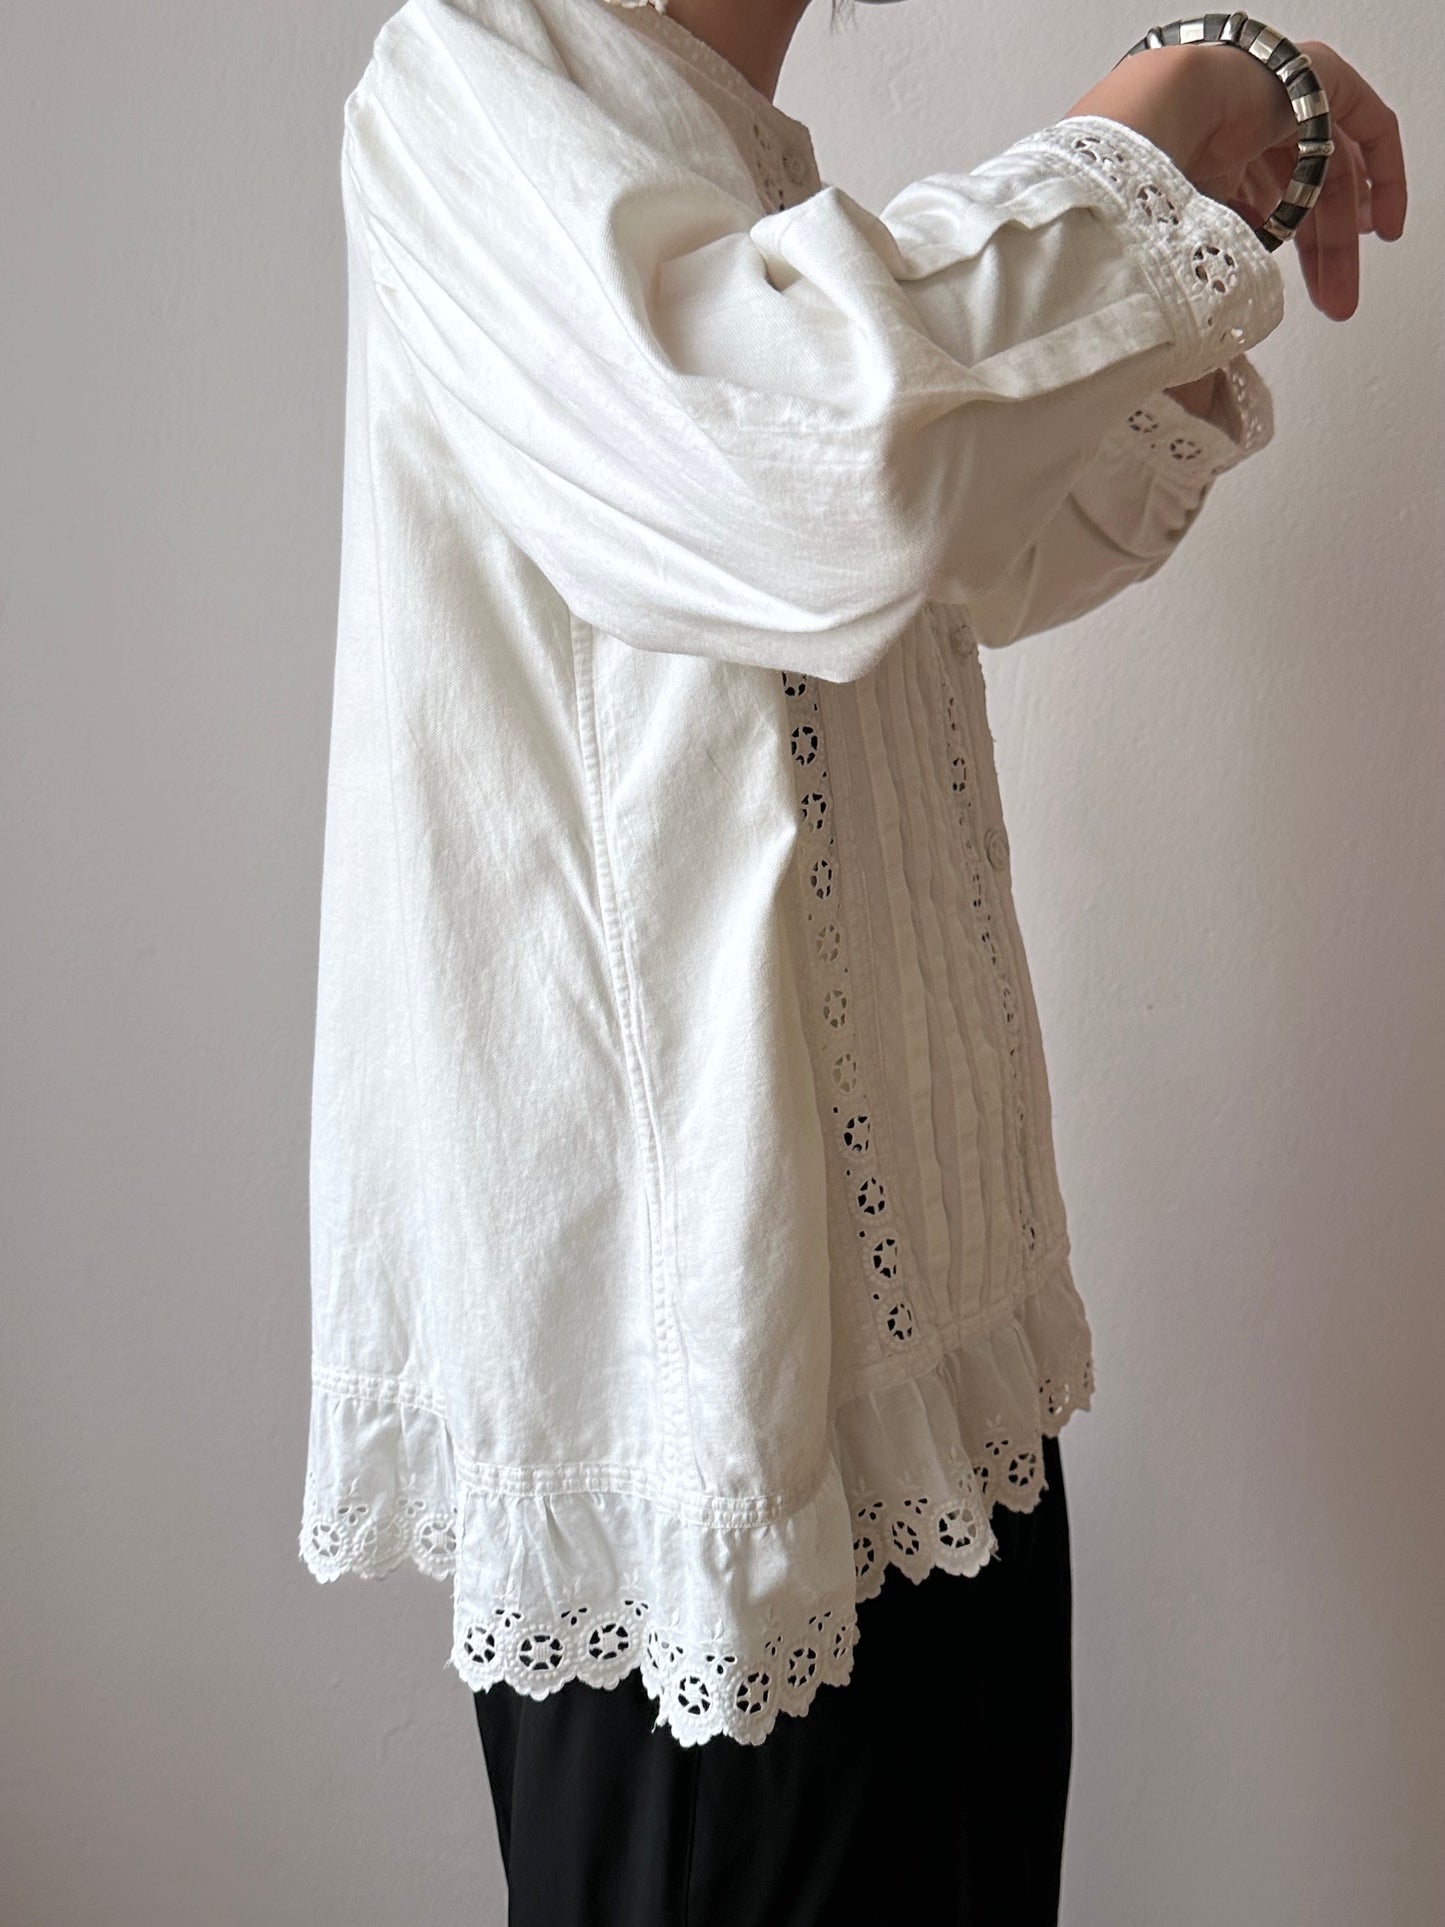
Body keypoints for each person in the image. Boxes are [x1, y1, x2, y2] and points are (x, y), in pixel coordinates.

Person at [297, 0, 1406, 1919]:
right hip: (715, 1459)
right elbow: (818, 471)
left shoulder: (737, 162)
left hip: (933, 1396)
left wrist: (1190, 207)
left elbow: (980, 538)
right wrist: (1168, 113)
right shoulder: (472, 76)